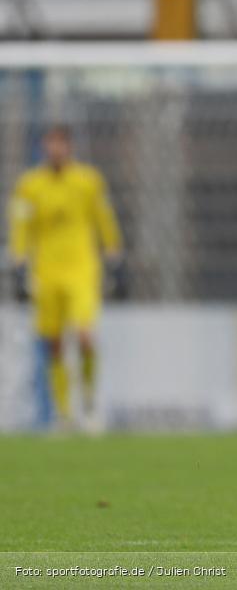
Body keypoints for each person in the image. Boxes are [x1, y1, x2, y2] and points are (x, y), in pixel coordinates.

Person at [7, 124, 123, 430]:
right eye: (50, 145)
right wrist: (19, 263)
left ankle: (88, 401)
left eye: (60, 144)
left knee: (85, 335)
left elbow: (104, 219)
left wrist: (113, 253)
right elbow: (20, 228)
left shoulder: (88, 181)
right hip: (45, 272)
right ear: (44, 148)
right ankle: (63, 414)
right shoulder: (29, 186)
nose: (55, 150)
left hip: (82, 269)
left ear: (69, 147)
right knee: (54, 343)